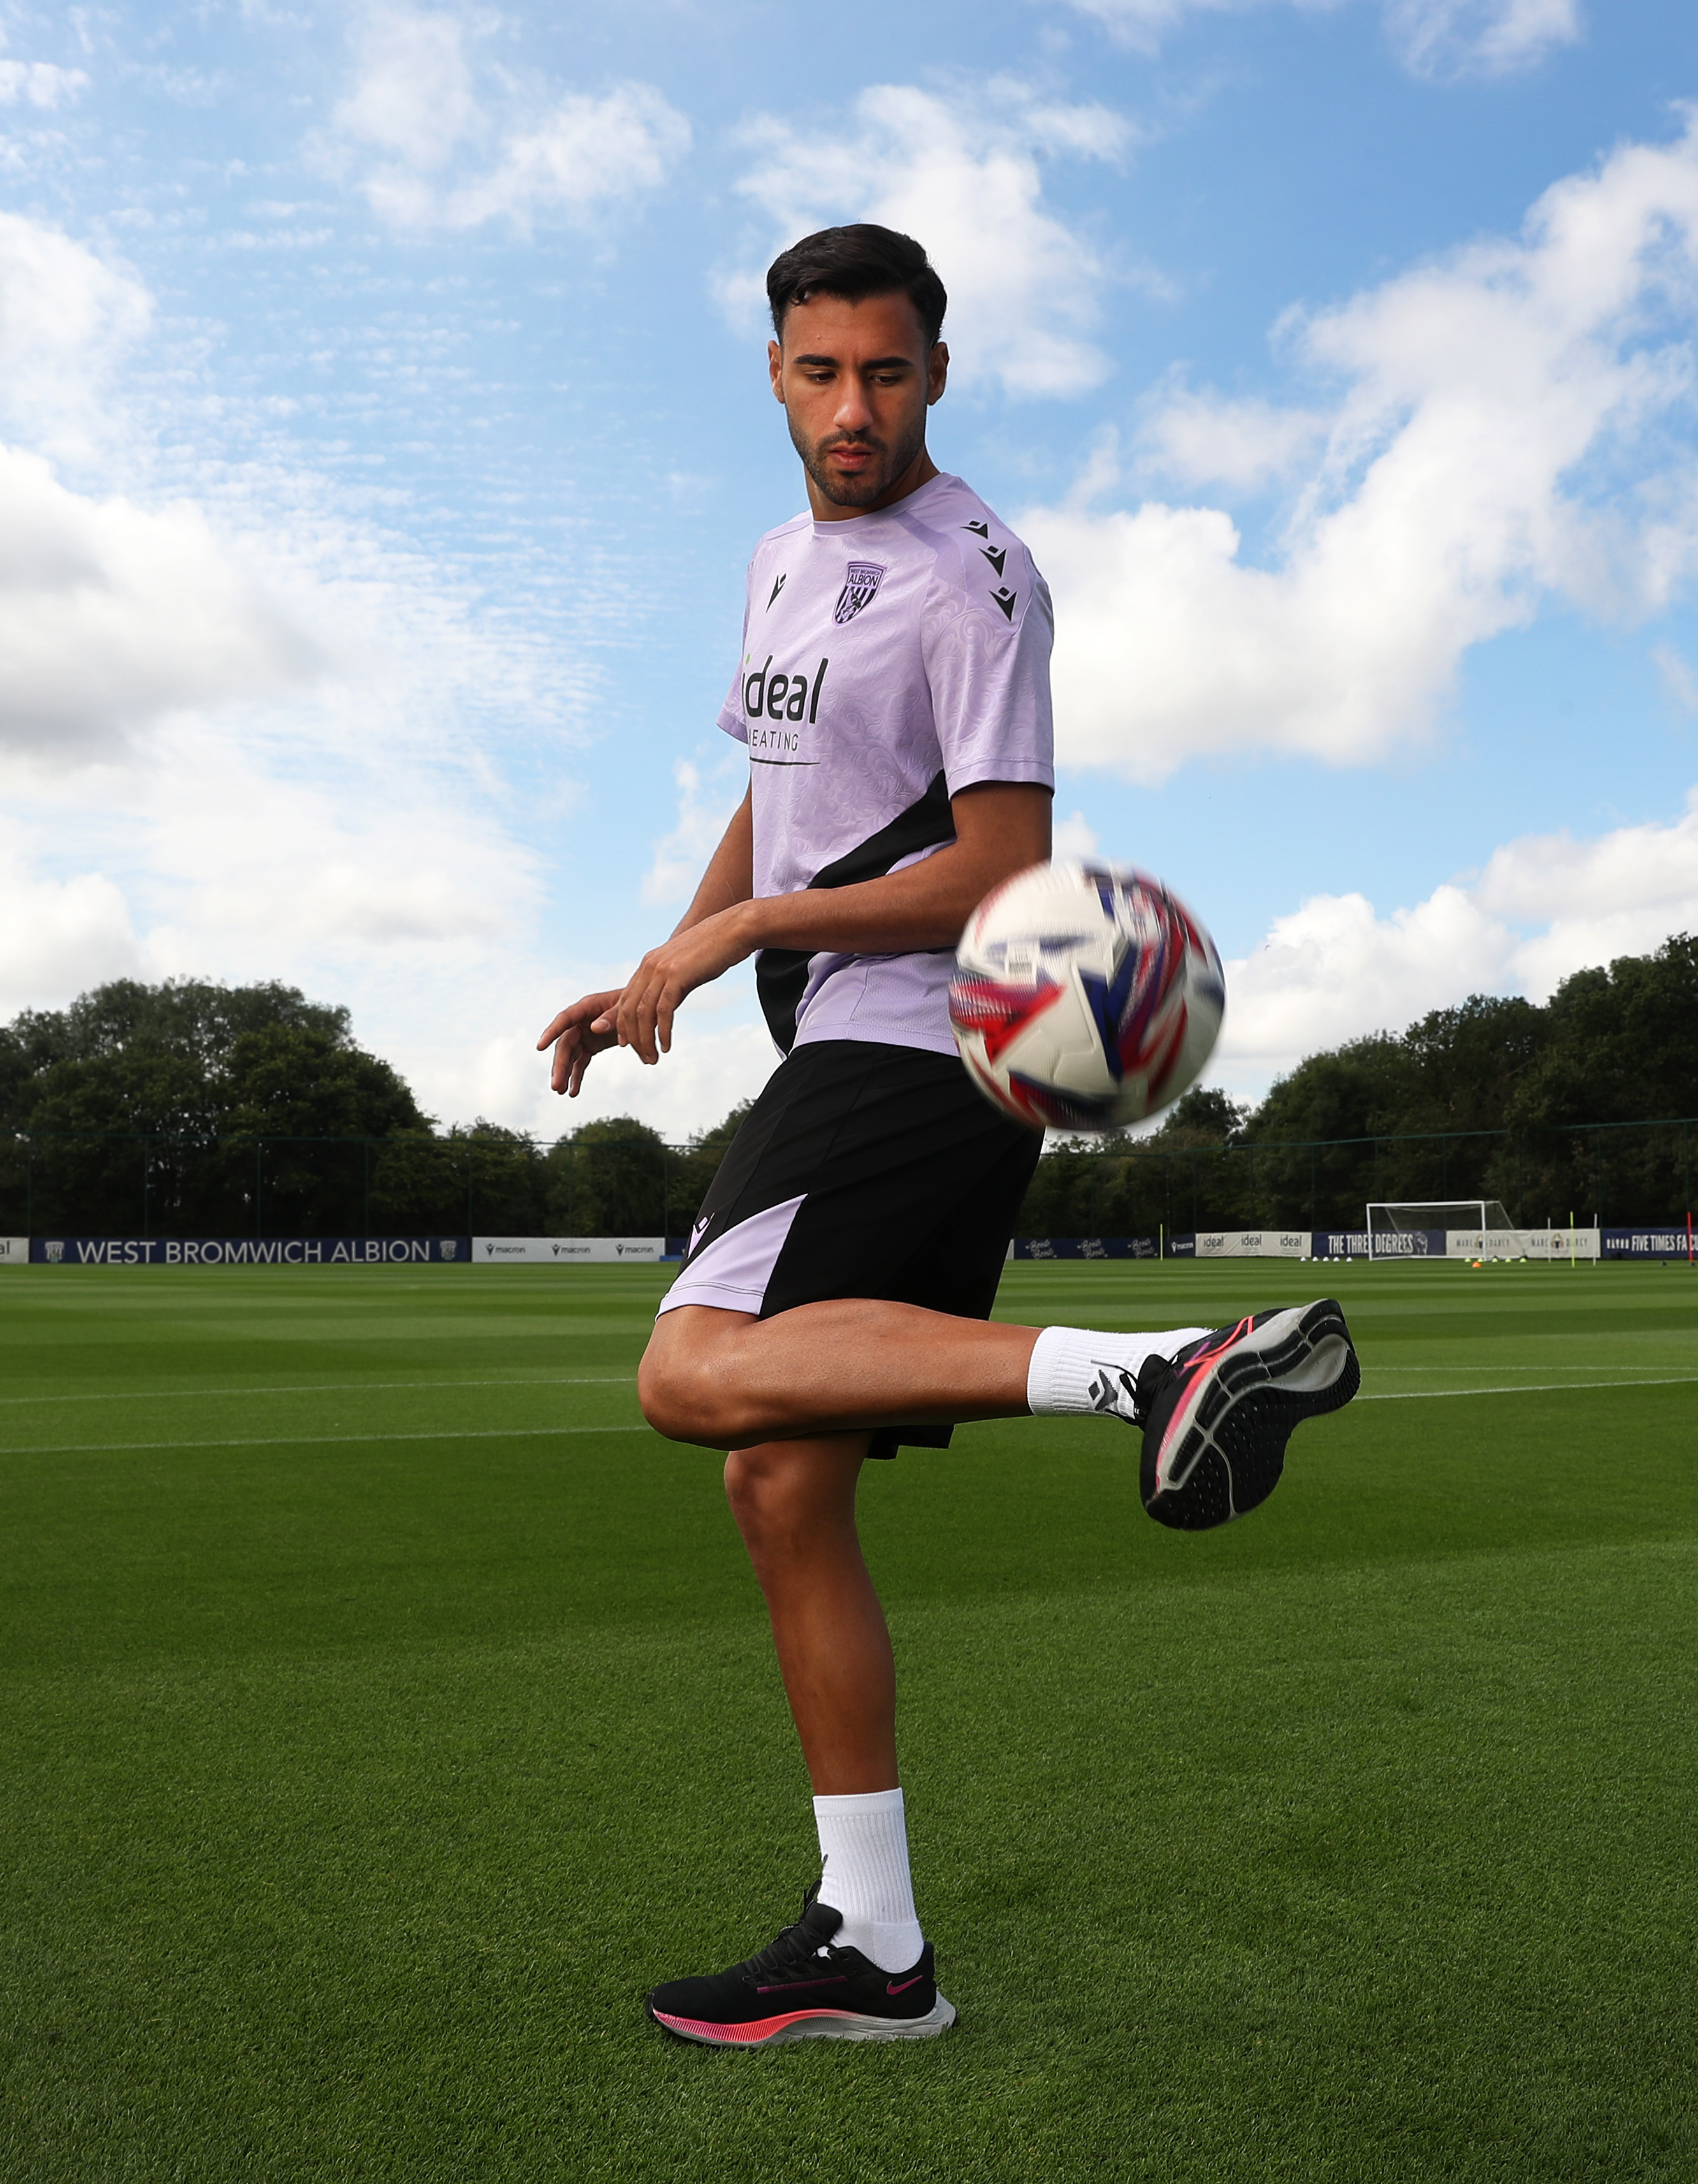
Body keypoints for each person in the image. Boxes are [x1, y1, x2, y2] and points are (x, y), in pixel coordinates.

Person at [536, 223, 1360, 2049]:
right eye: (822, 373)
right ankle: (877, 1947)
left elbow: (998, 865)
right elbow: (780, 815)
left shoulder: (972, 579)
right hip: (832, 1026)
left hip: (930, 1034)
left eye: (890, 373)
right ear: (771, 372)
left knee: (691, 1375)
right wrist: (667, 957)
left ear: (938, 372)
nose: (855, 408)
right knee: (780, 1475)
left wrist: (745, 938)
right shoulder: (774, 562)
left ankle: (1162, 1369)